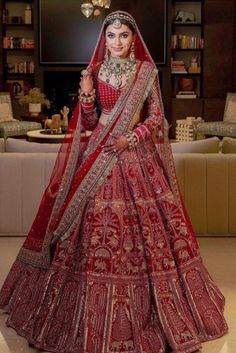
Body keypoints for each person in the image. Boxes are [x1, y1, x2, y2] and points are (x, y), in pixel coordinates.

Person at [0, 10, 228, 353]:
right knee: (83, 225)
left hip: (133, 156)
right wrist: (87, 93)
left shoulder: (145, 72)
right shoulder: (95, 71)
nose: (117, 42)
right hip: (99, 150)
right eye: (111, 35)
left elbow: (155, 117)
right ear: (103, 40)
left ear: (133, 39)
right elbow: (89, 119)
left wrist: (132, 139)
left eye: (123, 35)